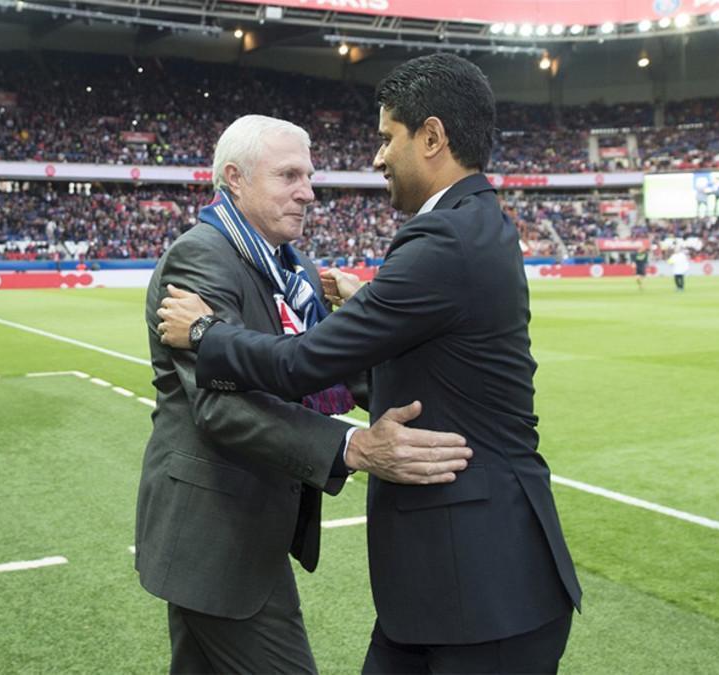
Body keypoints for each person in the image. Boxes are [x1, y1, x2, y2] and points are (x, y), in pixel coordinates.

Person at [156, 54, 581, 673]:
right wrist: (368, 339)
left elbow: (304, 363)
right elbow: (237, 401)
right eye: (289, 175)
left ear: (431, 138)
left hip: (484, 585)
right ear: (234, 180)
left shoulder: (442, 240)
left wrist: (204, 332)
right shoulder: (475, 224)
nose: (377, 158)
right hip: (443, 582)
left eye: (387, 137)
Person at [133, 114, 474, 674]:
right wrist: (354, 447)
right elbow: (222, 406)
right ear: (235, 178)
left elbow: (327, 368)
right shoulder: (201, 258)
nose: (308, 193)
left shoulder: (295, 270)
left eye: (308, 176)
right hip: (214, 535)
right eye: (289, 176)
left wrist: (431, 390)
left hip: (246, 530)